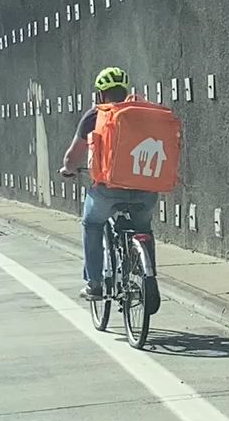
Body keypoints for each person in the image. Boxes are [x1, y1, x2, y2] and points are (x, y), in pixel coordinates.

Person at [60, 67, 158, 300]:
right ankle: (148, 280)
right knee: (143, 229)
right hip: (145, 190)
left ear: (100, 94)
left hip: (108, 191)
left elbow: (71, 158)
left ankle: (94, 284)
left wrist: (68, 170)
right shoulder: (142, 112)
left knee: (92, 224)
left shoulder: (96, 115)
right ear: (125, 91)